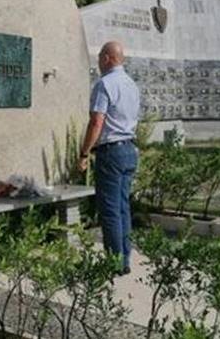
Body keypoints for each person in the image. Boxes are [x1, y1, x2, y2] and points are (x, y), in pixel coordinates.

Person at [78, 41, 140, 275]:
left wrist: (84, 153)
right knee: (123, 207)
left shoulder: (105, 84)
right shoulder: (131, 85)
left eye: (99, 58)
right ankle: (124, 258)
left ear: (107, 58)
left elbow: (96, 122)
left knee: (111, 209)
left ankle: (114, 263)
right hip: (129, 149)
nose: (98, 62)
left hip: (111, 151)